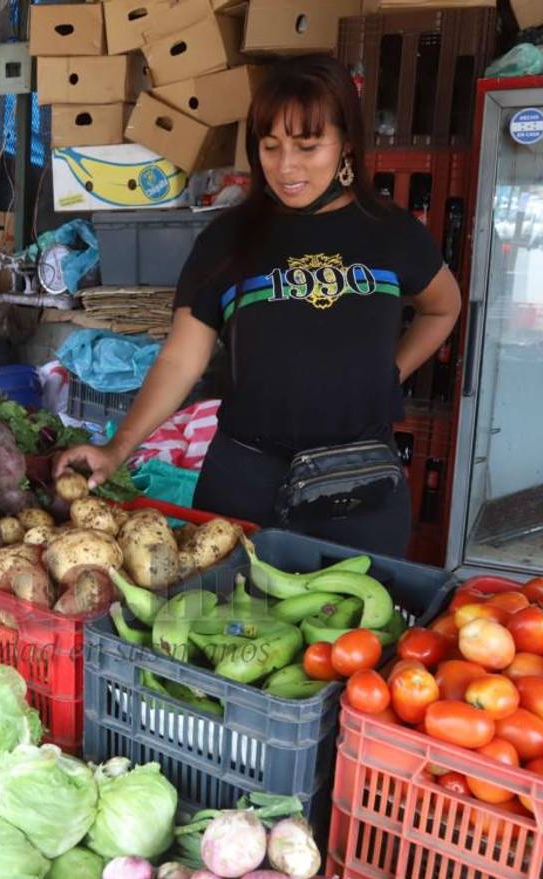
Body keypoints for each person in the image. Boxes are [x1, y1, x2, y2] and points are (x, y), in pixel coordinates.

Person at [55, 55, 461, 557]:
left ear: (347, 145)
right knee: (226, 621)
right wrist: (117, 449)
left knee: (358, 629)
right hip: (247, 479)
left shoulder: (392, 234)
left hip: (359, 485)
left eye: (308, 147)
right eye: (271, 147)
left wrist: (389, 371)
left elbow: (443, 307)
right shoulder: (227, 240)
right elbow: (182, 358)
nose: (286, 167)